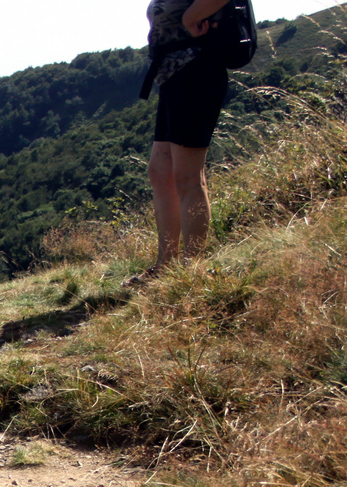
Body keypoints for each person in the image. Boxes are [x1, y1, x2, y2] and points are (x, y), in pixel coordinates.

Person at [138, 0, 231, 282]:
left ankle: (191, 271)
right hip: (174, 75)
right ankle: (166, 264)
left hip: (197, 72)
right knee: (160, 171)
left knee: (187, 175)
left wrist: (192, 16)